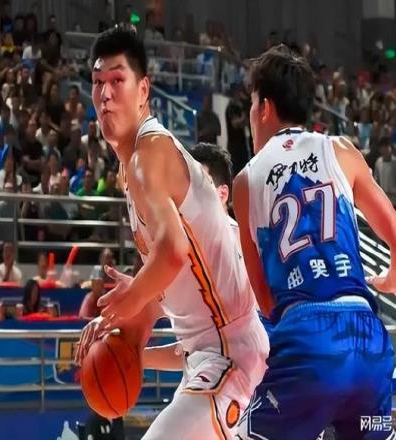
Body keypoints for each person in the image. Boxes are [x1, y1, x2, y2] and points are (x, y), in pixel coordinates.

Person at [76, 25, 268, 440]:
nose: (105, 94)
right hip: (206, 357)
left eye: (117, 80)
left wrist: (133, 296)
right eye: (97, 83)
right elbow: (176, 278)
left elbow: (173, 252)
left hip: (229, 355)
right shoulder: (133, 168)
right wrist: (121, 319)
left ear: (143, 90)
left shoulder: (148, 155)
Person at [233, 45, 396, 440]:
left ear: (264, 108)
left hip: (306, 340)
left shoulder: (245, 182)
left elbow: (266, 300)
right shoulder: (341, 150)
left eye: (252, 105)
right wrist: (392, 280)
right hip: (368, 337)